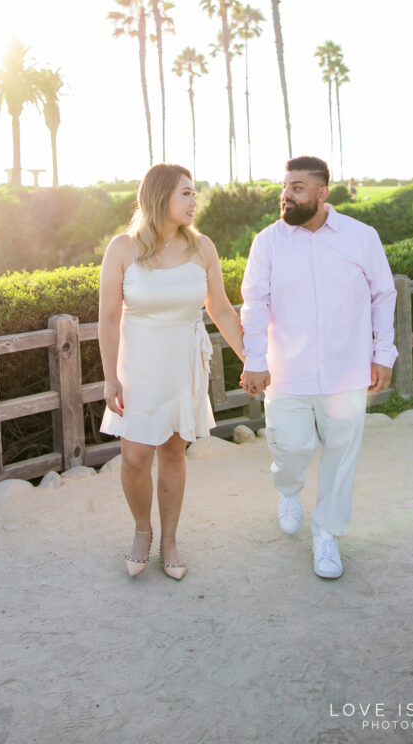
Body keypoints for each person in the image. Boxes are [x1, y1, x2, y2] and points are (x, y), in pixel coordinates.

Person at [240, 156, 398, 579]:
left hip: (347, 369)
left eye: (297, 188)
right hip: (287, 370)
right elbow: (255, 305)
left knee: (342, 456)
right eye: (285, 187)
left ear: (322, 193)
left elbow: (384, 294)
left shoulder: (361, 237)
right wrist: (255, 360)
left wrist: (384, 353)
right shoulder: (268, 241)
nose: (286, 196)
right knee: (289, 448)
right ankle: (289, 490)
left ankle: (326, 534)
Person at [99, 163, 244, 580]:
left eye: (194, 193)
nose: (194, 201)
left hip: (182, 362)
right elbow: (108, 317)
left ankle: (170, 540)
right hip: (138, 365)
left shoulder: (202, 248)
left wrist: (252, 360)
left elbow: (221, 309)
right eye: (186, 193)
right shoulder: (122, 249)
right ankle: (142, 531)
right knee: (134, 457)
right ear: (161, 195)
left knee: (173, 453)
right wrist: (111, 377)